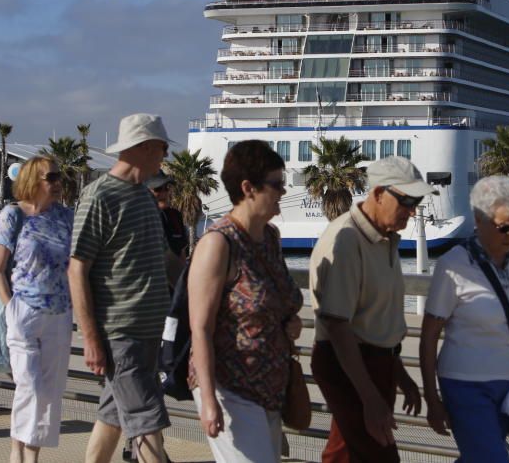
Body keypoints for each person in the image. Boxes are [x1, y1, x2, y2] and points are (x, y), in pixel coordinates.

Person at [419, 175, 509, 462]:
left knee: (478, 456)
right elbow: (429, 336)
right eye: (504, 227)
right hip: (464, 384)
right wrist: (432, 398)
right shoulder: (453, 264)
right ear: (479, 220)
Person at [309, 156, 431, 463]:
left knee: (346, 453)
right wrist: (370, 398)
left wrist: (398, 374)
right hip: (350, 365)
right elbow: (338, 325)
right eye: (406, 201)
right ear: (377, 194)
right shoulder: (347, 239)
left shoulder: (384, 237)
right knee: (377, 455)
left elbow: (375, 317)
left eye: (417, 202)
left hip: (374, 365)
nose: (412, 211)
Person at [188, 140, 303, 463]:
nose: (283, 191)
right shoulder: (218, 243)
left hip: (270, 389)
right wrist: (209, 400)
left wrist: (288, 322)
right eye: (276, 184)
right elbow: (200, 327)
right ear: (248, 188)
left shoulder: (270, 238)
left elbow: (277, 300)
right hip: (230, 388)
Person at [68, 113, 174, 463]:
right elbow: (77, 268)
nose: (165, 155)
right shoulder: (99, 196)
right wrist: (92, 339)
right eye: (162, 147)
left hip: (148, 331)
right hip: (120, 333)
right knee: (146, 418)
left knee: (114, 413)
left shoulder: (143, 196)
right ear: (144, 147)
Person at [0, 156, 74, 463]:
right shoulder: (13, 215)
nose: (57, 182)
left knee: (50, 392)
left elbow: (78, 264)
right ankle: (17, 450)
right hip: (24, 311)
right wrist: (11, 308)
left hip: (60, 313)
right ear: (32, 181)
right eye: (51, 177)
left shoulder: (66, 216)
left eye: (58, 176)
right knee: (30, 387)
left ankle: (30, 456)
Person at [145, 169, 188, 286]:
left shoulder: (175, 216)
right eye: (158, 189)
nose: (164, 193)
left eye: (166, 188)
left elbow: (182, 253)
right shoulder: (139, 217)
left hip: (173, 290)